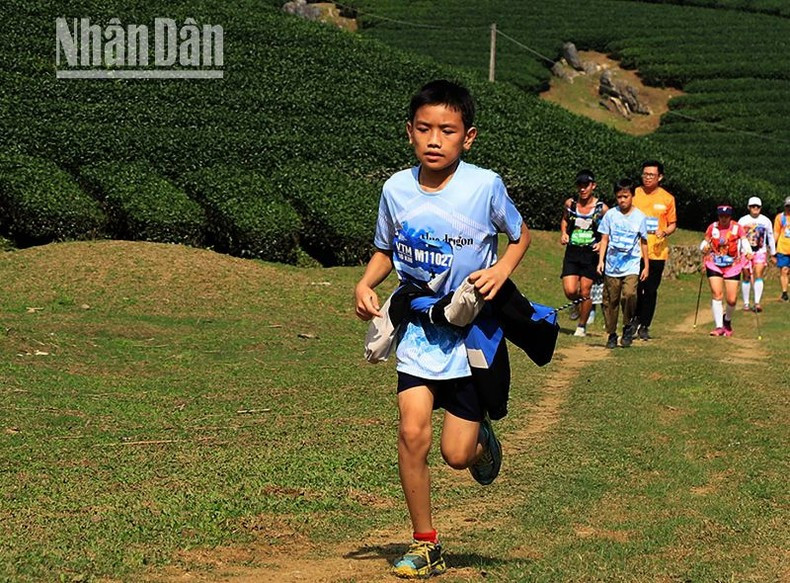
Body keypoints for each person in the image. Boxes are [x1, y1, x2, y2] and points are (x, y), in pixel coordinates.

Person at [354, 80, 529, 579]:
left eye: (447, 130)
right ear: (409, 131)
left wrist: (501, 270)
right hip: (418, 330)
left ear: (467, 137)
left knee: (456, 455)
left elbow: (519, 235)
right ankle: (426, 544)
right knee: (411, 432)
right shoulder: (395, 189)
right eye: (424, 128)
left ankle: (481, 441)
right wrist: (365, 283)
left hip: (470, 334)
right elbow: (386, 249)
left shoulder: (484, 185)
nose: (435, 139)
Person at [596, 178, 649, 349]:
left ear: (632, 196)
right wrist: (601, 261)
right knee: (611, 301)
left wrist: (646, 266)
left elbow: (644, 242)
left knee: (629, 294)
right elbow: (604, 239)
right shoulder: (611, 215)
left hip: (631, 265)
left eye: (625, 196)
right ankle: (611, 333)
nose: (622, 200)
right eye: (619, 197)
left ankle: (628, 325)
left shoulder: (640, 217)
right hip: (612, 265)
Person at [559, 169, 608, 337]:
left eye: (586, 185)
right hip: (573, 252)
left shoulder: (602, 209)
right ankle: (576, 304)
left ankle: (581, 326)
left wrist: (602, 243)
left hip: (591, 254)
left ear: (593, 186)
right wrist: (564, 233)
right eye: (580, 185)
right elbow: (565, 220)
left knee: (585, 291)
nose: (582, 189)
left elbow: (610, 229)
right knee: (570, 290)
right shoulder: (571, 204)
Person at [633, 160, 677, 340]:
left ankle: (645, 325)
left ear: (660, 177)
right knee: (634, 288)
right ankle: (634, 319)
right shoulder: (634, 193)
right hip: (634, 250)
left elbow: (672, 224)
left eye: (651, 175)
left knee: (650, 290)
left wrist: (664, 231)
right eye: (645, 174)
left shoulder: (667, 198)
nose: (647, 178)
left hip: (656, 252)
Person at [701, 205, 753, 336]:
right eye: (721, 216)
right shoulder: (713, 227)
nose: (724, 219)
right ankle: (719, 326)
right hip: (714, 263)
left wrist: (748, 251)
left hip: (732, 265)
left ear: (730, 216)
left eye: (726, 216)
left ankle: (727, 320)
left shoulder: (737, 227)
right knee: (717, 294)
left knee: (732, 299)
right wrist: (704, 248)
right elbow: (705, 242)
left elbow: (744, 241)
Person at [738, 196, 776, 312]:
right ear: (749, 207)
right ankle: (746, 303)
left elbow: (770, 236)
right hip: (745, 251)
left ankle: (757, 302)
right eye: (753, 206)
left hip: (760, 251)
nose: (755, 208)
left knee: (758, 274)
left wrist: (773, 253)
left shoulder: (766, 221)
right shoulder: (743, 220)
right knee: (746, 275)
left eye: (757, 206)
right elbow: (738, 238)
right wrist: (737, 253)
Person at [774, 197, 790, 302]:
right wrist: (772, 247)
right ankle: (784, 293)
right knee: (784, 270)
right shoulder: (780, 217)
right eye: (788, 206)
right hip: (783, 248)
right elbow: (776, 232)